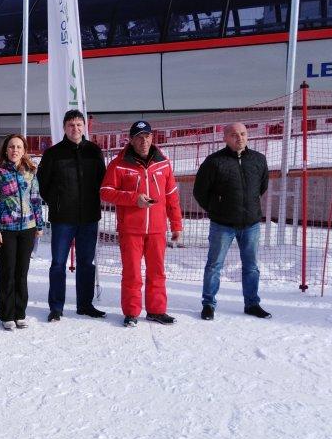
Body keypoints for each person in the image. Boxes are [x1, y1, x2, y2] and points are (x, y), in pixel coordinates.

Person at [101, 120, 183, 327]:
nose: (143, 141)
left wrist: (176, 225)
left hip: (156, 230)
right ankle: (131, 312)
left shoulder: (163, 163)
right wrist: (133, 198)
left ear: (152, 138)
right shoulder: (118, 164)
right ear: (131, 140)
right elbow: (106, 192)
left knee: (157, 272)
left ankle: (156, 310)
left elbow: (172, 196)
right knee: (132, 273)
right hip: (131, 229)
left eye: (147, 136)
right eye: (139, 137)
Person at [193, 122, 272, 320]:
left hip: (251, 224)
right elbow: (200, 191)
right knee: (214, 266)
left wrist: (249, 207)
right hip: (222, 224)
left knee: (251, 266)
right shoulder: (214, 162)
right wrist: (217, 208)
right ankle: (208, 304)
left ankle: (252, 303)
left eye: (243, 134)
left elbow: (261, 187)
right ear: (225, 138)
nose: (240, 138)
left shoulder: (258, 160)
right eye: (234, 135)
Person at [37, 109, 107, 322]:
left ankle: (85, 304)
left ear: (84, 127)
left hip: (88, 217)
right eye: (71, 125)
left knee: (86, 263)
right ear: (64, 128)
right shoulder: (53, 153)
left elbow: (101, 181)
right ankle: (56, 307)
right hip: (62, 218)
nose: (75, 129)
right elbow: (42, 183)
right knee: (58, 263)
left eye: (78, 125)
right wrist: (56, 201)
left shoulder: (94, 151)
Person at [0, 134, 44, 330]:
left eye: (19, 147)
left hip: (27, 229)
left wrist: (39, 224)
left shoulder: (30, 171)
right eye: (11, 147)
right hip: (6, 229)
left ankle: (20, 312)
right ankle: (6, 313)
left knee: (22, 273)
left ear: (24, 150)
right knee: (8, 272)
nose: (15, 150)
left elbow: (35, 199)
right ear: (6, 149)